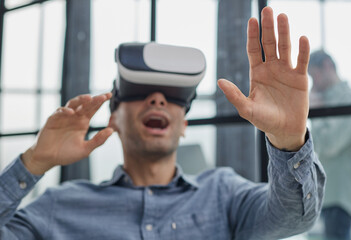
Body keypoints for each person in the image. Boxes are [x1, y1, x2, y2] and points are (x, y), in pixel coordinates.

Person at [0, 7, 325, 240]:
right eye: (140, 92)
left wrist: (289, 141)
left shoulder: (224, 194)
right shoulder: (59, 207)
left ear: (183, 124)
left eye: (173, 97)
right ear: (113, 118)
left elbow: (294, 217)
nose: (157, 100)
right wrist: (33, 163)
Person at [309, 50, 351, 240]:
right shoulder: (325, 98)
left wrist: (316, 112)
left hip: (340, 194)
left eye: (315, 75)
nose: (314, 83)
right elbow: (315, 147)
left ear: (328, 66)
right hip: (324, 194)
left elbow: (330, 144)